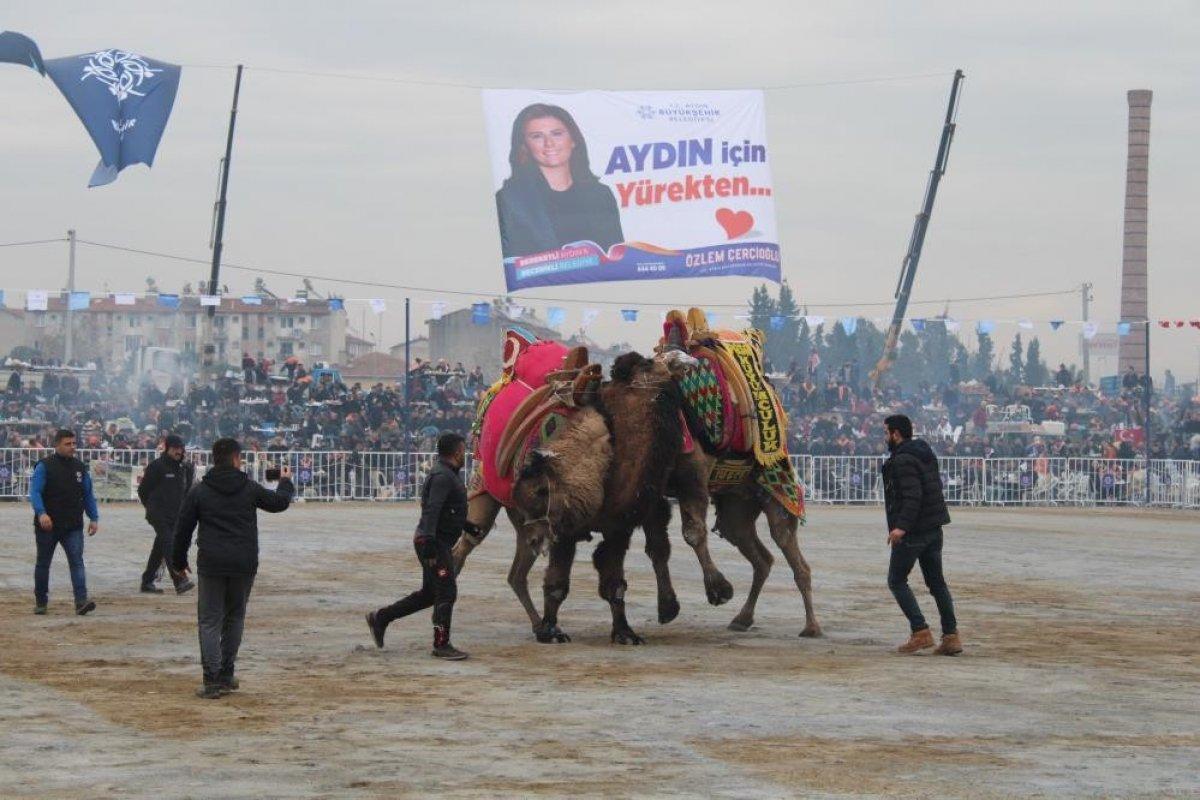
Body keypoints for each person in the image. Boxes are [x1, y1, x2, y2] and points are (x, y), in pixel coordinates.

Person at [171, 438, 294, 699]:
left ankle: (212, 679)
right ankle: (226, 674)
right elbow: (279, 503)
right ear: (237, 459)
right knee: (234, 618)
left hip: (212, 563)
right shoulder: (248, 488)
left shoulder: (199, 491)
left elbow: (182, 529)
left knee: (209, 620)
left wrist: (179, 562)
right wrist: (285, 482)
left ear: (215, 459)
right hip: (244, 562)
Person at [366, 432, 470, 660]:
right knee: (446, 592)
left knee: (429, 594)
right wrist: (430, 546)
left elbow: (446, 511)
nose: (465, 454)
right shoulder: (443, 476)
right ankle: (441, 645)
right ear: (456, 452)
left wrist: (468, 527)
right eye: (463, 450)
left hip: (433, 540)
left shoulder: (445, 473)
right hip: (433, 543)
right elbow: (432, 510)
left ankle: (381, 618)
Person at [495, 103, 624, 259]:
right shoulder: (509, 200)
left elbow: (616, 256)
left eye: (557, 133)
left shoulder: (601, 194)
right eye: (537, 136)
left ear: (573, 140)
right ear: (525, 147)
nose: (549, 143)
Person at [880, 414, 961, 655]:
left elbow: (912, 496)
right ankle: (951, 636)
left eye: (886, 433)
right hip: (934, 529)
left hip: (913, 532)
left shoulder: (903, 460)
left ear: (896, 434)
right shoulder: (924, 454)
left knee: (896, 580)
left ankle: (920, 632)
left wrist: (900, 528)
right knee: (937, 583)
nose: (885, 437)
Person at [29, 429, 98, 615]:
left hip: (73, 525)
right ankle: (41, 602)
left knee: (77, 562)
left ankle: (81, 601)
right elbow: (34, 492)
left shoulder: (80, 467)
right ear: (57, 445)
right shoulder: (44, 466)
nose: (72, 447)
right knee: (43, 563)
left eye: (74, 443)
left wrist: (94, 518)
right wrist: (41, 513)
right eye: (68, 444)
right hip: (47, 525)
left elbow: (88, 494)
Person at [137, 434, 196, 595]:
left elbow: (187, 491)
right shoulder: (156, 466)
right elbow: (143, 490)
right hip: (158, 514)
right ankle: (179, 580)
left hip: (176, 515)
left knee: (161, 548)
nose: (178, 451)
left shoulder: (186, 468)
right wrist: (150, 508)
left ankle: (147, 581)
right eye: (175, 448)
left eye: (180, 448)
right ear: (167, 448)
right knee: (170, 545)